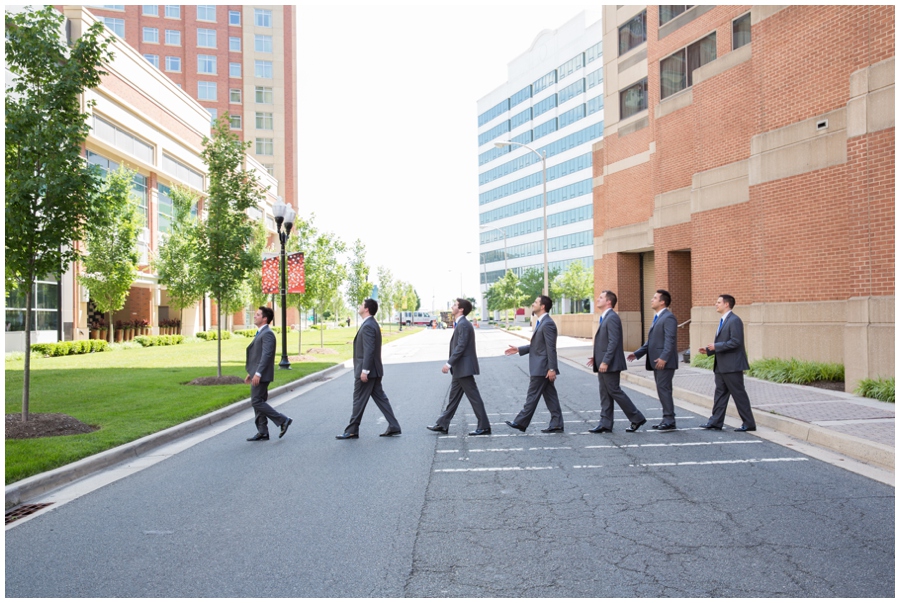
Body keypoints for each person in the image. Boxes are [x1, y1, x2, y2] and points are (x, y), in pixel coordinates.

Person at [336, 298, 402, 439]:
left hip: (368, 371)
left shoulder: (368, 326)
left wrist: (365, 370)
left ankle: (352, 429)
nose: (359, 306)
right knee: (381, 399)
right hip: (374, 370)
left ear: (366, 309)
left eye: (361, 304)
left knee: (359, 399)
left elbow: (369, 349)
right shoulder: (371, 324)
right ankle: (394, 426)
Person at [427, 298, 492, 436]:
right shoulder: (461, 323)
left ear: (461, 309)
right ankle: (443, 423)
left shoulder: (463, 324)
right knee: (453, 398)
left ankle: (484, 426)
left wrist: (449, 363)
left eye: (455, 305)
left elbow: (461, 346)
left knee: (474, 397)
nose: (452, 306)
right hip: (460, 369)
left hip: (464, 368)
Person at [586, 290, 647, 433]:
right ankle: (605, 423)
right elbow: (606, 342)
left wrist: (605, 361)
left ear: (608, 302)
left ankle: (637, 417)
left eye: (601, 297)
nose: (597, 299)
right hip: (603, 362)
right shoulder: (605, 317)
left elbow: (614, 342)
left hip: (610, 364)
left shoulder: (612, 317)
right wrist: (597, 357)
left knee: (614, 390)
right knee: (605, 392)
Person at [504, 295, 564, 433]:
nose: (533, 304)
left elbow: (551, 348)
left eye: (536, 302)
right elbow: (538, 345)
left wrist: (552, 368)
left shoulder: (547, 323)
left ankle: (520, 422)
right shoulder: (542, 322)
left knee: (532, 395)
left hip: (542, 367)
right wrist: (519, 349)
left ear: (542, 306)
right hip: (542, 366)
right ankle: (556, 423)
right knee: (550, 396)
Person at [698, 295, 757, 432]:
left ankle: (749, 423)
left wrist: (716, 346)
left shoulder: (734, 320)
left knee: (738, 394)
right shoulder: (724, 320)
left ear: (726, 304)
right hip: (721, 365)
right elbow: (725, 342)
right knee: (720, 394)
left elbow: (736, 342)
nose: (716, 304)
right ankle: (715, 422)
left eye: (718, 302)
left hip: (732, 365)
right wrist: (708, 350)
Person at [627, 289, 679, 430]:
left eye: (655, 298)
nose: (651, 300)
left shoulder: (668, 318)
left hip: (664, 362)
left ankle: (669, 420)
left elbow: (670, 340)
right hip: (657, 361)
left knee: (664, 390)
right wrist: (638, 353)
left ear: (662, 302)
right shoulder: (658, 317)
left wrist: (664, 358)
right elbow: (652, 341)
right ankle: (667, 418)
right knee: (662, 390)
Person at [245, 306, 292, 441]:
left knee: (256, 401)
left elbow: (266, 355)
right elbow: (258, 355)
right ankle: (263, 431)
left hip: (262, 374)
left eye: (258, 314)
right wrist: (252, 372)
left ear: (265, 319)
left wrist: (258, 373)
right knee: (259, 401)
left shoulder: (268, 334)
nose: (255, 316)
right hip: (258, 373)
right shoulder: (261, 333)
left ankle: (283, 420)